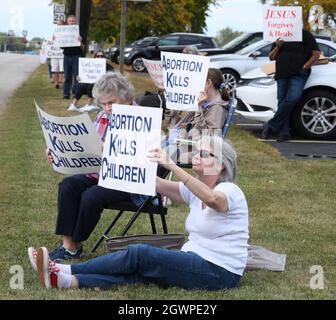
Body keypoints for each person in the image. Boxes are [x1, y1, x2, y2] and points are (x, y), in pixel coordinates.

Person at [29, 136, 249, 290]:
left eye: (204, 153)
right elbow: (150, 182)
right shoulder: (193, 190)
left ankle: (62, 269)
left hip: (220, 272)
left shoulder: (230, 191)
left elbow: (211, 200)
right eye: (196, 151)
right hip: (195, 259)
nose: (196, 156)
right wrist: (69, 156)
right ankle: (68, 281)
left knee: (139, 254)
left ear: (220, 165)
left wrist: (172, 166)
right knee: (138, 274)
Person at [39, 72, 152, 262]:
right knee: (67, 186)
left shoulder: (142, 119)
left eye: (111, 103)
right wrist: (59, 152)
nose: (107, 108)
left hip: (126, 181)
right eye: (103, 103)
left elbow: (145, 159)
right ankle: (69, 246)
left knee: (91, 196)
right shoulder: (102, 115)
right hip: (97, 174)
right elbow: (85, 144)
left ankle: (73, 245)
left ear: (126, 97)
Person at [261, 29, 320, 142]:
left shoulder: (305, 34)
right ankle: (284, 133)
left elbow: (316, 54)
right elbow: (271, 57)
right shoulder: (280, 34)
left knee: (293, 98)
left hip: (299, 73)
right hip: (282, 73)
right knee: (282, 101)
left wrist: (305, 67)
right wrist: (277, 46)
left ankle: (271, 125)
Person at [61, 15, 84, 100]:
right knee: (67, 76)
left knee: (76, 76)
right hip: (67, 56)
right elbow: (61, 46)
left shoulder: (79, 32)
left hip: (77, 56)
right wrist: (56, 39)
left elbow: (83, 47)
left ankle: (75, 93)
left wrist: (80, 41)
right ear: (67, 22)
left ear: (75, 22)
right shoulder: (63, 32)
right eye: (70, 21)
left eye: (73, 21)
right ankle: (66, 94)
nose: (71, 22)